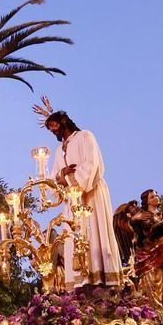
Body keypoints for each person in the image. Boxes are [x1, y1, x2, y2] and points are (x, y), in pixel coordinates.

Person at [40, 106, 123, 289]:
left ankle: (101, 279)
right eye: (50, 129)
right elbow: (53, 180)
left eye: (54, 125)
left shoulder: (85, 136)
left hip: (91, 193)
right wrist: (63, 174)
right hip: (71, 201)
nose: (53, 131)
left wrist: (72, 180)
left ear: (63, 122)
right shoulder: (58, 150)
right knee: (73, 236)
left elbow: (92, 164)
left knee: (95, 232)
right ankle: (80, 283)